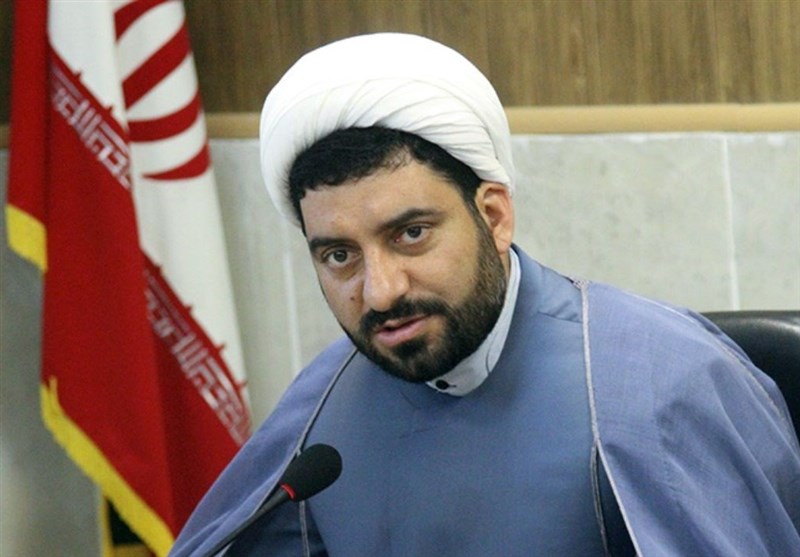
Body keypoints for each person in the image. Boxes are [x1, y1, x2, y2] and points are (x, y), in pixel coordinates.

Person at [170, 33, 800, 556]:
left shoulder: (663, 386)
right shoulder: (318, 417)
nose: (381, 292)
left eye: (411, 234)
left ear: (494, 216)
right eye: (340, 256)